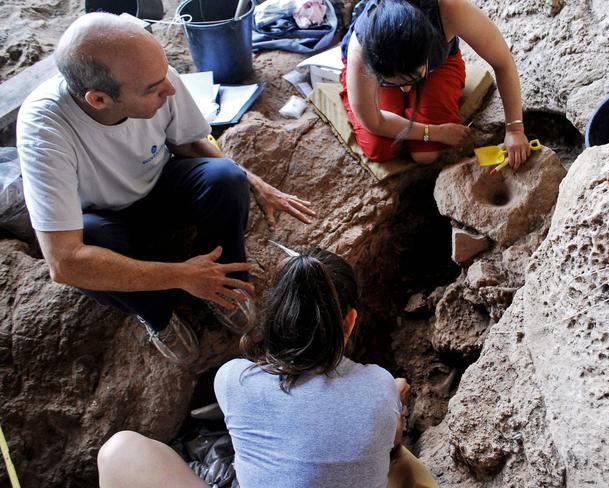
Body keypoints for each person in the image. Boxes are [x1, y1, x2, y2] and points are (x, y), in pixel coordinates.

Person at [16, 13, 315, 364]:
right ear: (98, 100)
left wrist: (252, 181)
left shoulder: (155, 76)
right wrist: (182, 275)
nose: (170, 89)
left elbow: (191, 144)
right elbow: (63, 262)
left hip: (160, 187)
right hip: (105, 219)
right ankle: (158, 314)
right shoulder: (44, 129)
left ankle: (224, 283)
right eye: (153, 89)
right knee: (92, 241)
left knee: (225, 177)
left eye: (164, 75)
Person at [96, 248, 440, 487]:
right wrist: (391, 396)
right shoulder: (379, 386)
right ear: (349, 321)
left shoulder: (233, 380)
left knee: (119, 451)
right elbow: (391, 443)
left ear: (273, 318)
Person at [340, 0, 531, 167]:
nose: (406, 89)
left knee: (425, 154)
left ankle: (407, 82)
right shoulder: (362, 46)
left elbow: (503, 62)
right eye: (397, 83)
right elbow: (374, 121)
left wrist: (514, 129)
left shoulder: (449, 10)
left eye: (410, 81)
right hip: (385, 67)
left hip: (435, 66)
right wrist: (435, 132)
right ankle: (386, 84)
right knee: (380, 149)